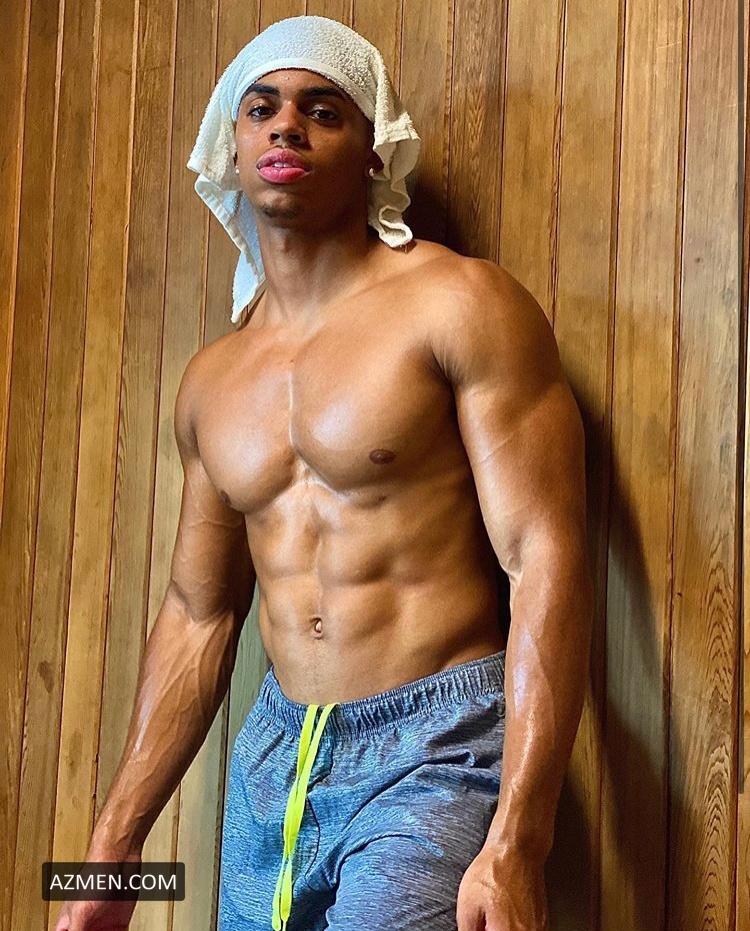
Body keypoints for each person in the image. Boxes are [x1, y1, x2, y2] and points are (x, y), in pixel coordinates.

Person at [54, 15, 594, 931]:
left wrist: (519, 839)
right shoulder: (213, 379)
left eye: (323, 110)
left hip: (437, 748)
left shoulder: (461, 304)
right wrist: (110, 851)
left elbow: (543, 556)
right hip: (274, 757)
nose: (286, 126)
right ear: (232, 146)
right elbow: (197, 613)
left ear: (375, 149)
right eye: (261, 107)